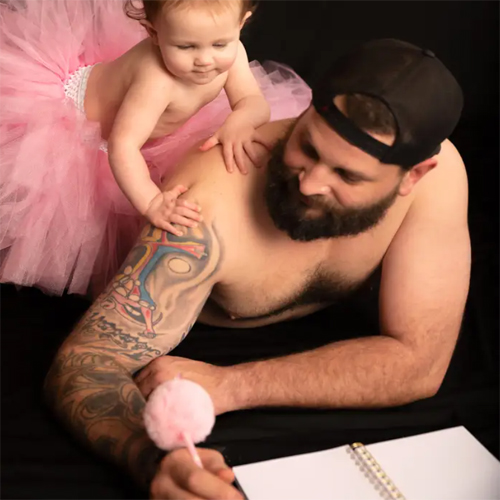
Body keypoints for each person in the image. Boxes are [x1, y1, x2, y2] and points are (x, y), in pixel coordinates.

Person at [44, 39, 470, 499]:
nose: (310, 183)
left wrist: (233, 385)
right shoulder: (206, 207)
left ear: (414, 175)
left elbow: (419, 363)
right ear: (306, 111)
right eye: (308, 145)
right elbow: (87, 364)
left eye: (347, 177)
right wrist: (152, 459)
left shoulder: (441, 177)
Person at [0, 0, 310, 296]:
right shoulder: (156, 80)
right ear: (153, 33)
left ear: (240, 25)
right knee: (91, 221)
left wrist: (241, 120)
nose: (205, 60)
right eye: (186, 46)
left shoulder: (234, 54)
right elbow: (123, 146)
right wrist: (151, 203)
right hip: (82, 127)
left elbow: (253, 102)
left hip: (148, 132)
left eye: (219, 44)